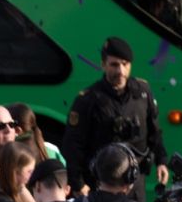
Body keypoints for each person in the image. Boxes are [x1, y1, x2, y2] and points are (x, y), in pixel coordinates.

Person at [64, 37, 166, 193]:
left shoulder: (142, 92)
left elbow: (154, 131)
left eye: (125, 64)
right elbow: (73, 145)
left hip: (135, 181)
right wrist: (78, 183)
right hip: (103, 184)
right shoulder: (88, 99)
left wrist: (161, 161)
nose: (121, 71)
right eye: (114, 65)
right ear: (103, 65)